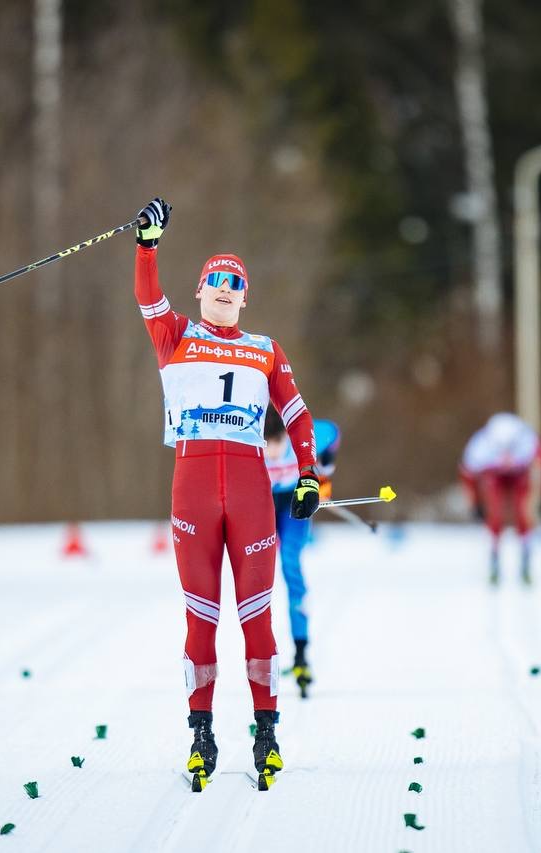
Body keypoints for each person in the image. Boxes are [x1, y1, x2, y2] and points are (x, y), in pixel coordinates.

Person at [133, 198, 320, 792]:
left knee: (257, 619)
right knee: (201, 619)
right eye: (213, 279)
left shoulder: (264, 347)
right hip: (192, 494)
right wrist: (148, 243)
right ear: (198, 292)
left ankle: (266, 731)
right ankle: (201, 732)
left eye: (233, 282)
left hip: (249, 494)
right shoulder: (174, 335)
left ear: (245, 296)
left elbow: (296, 412)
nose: (222, 287)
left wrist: (310, 474)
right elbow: (145, 295)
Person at [264, 410, 341, 699]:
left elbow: (332, 431)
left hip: (296, 502)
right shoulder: (251, 442)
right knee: (258, 571)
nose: (271, 452)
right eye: (265, 444)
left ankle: (300, 651)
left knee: (290, 564)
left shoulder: (306, 435)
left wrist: (325, 479)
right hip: (265, 503)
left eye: (276, 443)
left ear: (286, 435)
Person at [459, 412, 541, 585]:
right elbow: (467, 474)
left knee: (522, 513)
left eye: (511, 449)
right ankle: (494, 558)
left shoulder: (529, 443)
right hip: (494, 475)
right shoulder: (480, 447)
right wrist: (475, 504)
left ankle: (525, 558)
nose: (506, 455)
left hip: (520, 475)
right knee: (495, 512)